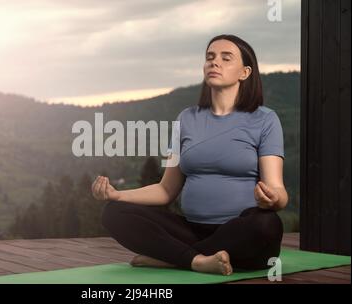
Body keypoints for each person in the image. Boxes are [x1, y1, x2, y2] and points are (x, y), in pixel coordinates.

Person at [91, 34, 287, 276]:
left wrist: (273, 199)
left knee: (267, 224)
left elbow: (278, 191)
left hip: (241, 232)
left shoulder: (265, 120)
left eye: (226, 58)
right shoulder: (186, 119)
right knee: (114, 212)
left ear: (244, 73)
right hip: (190, 230)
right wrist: (118, 194)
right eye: (210, 57)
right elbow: (165, 190)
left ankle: (175, 259)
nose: (215, 62)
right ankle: (198, 260)